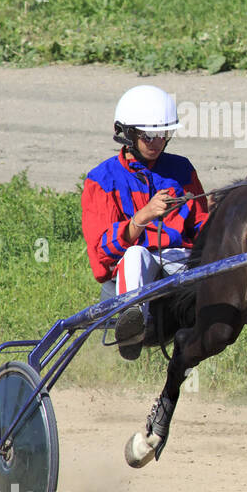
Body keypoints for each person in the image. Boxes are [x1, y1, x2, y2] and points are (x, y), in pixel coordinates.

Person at [82, 85, 210, 359]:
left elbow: (202, 226)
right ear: (127, 133)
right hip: (135, 266)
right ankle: (132, 325)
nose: (157, 142)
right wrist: (141, 218)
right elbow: (101, 254)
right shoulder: (102, 180)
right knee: (137, 254)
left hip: (179, 259)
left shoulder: (182, 170)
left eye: (163, 134)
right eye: (148, 135)